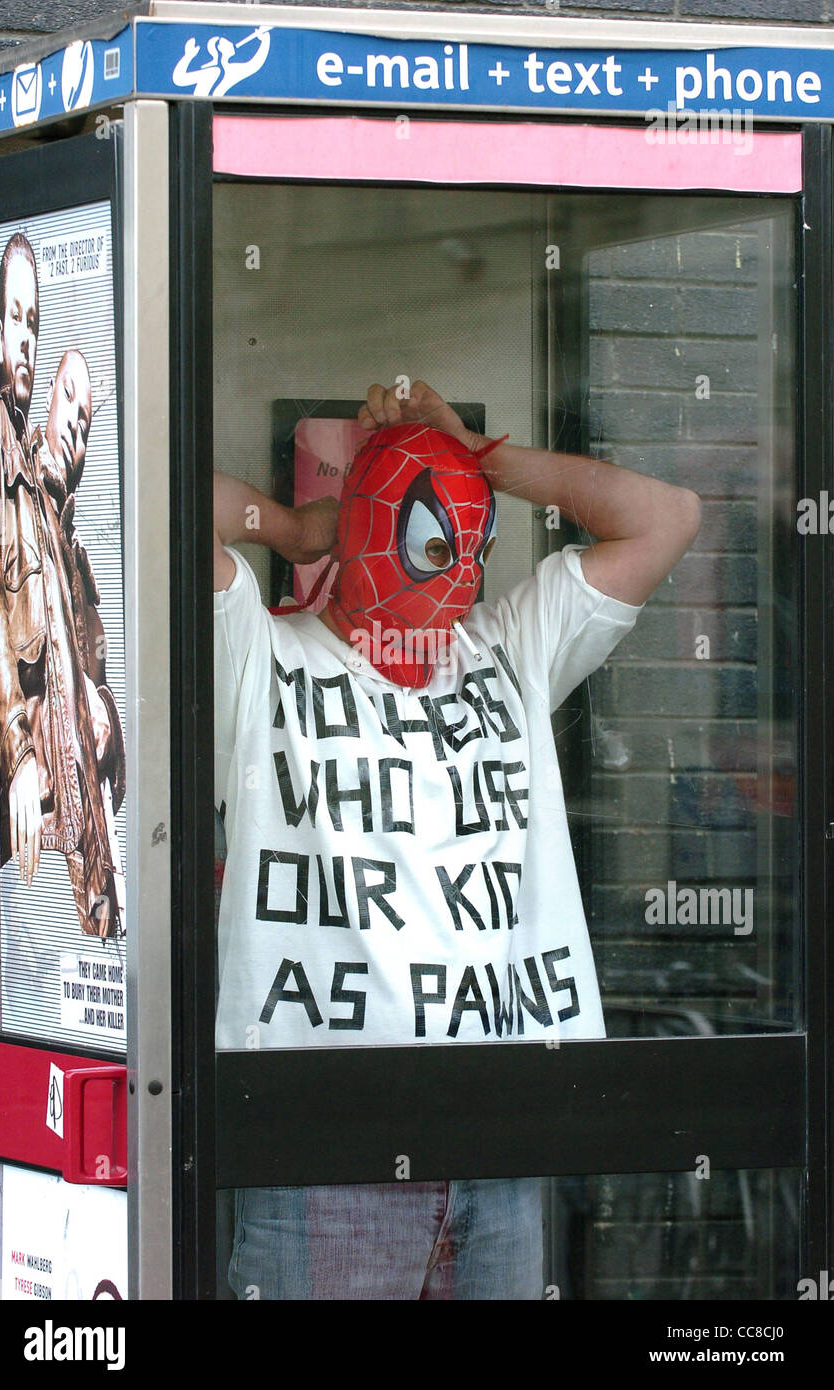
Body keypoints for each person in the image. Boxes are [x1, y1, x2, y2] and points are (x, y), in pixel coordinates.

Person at [213, 379, 701, 1299]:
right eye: (435, 543)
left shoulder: (503, 648)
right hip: (323, 1149)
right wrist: (296, 530)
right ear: (364, 531)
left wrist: (486, 460)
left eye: (472, 550)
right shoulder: (265, 659)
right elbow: (149, 497)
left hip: (498, 1138)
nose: (459, 578)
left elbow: (667, 516)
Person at [0, 234, 122, 937]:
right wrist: (15, 756)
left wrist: (102, 704)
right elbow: (0, 623)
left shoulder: (67, 538)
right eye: (16, 320)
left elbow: (88, 674)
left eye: (86, 417)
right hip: (31, 820)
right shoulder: (4, 483)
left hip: (81, 816)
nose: (76, 423)